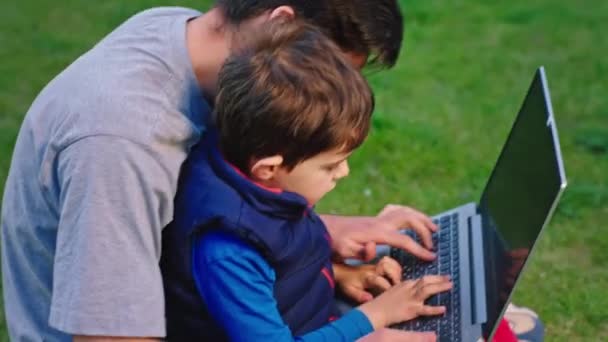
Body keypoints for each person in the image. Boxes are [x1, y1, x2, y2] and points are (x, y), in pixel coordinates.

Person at [0, 2, 442, 341]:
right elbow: (114, 333)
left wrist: (319, 241)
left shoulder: (185, 36)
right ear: (280, 25)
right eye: (327, 70)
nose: (332, 94)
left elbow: (187, 228)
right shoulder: (122, 143)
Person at [160, 18, 453, 341]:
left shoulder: (253, 179)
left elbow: (283, 258)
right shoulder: (227, 251)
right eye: (330, 166)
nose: (344, 173)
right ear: (269, 168)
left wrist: (339, 273)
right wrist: (373, 319)